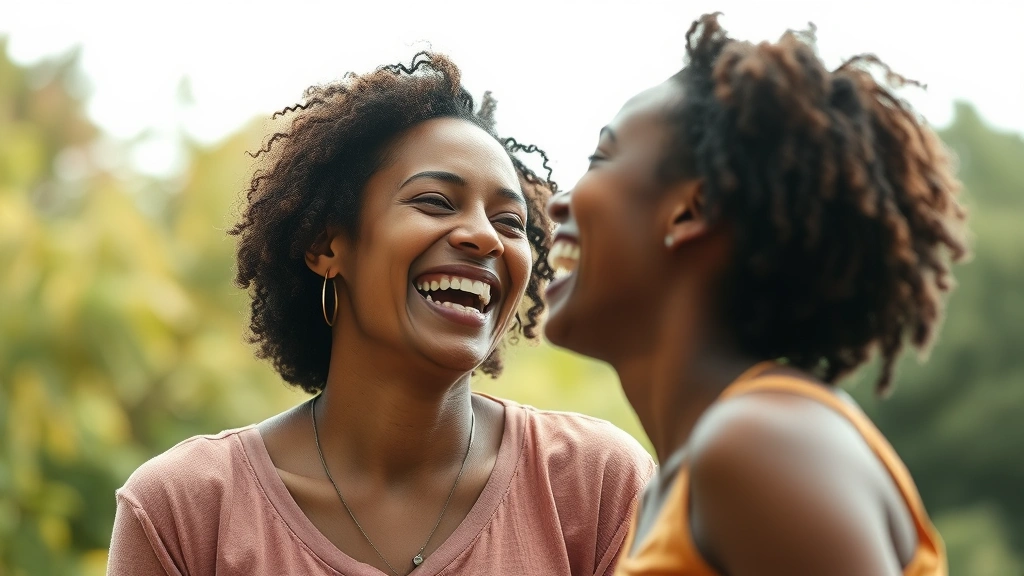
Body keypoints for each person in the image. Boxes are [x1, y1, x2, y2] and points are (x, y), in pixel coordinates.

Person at [107, 52, 655, 576]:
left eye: (510, 222)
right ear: (327, 245)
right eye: (435, 202)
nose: (486, 236)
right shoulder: (184, 511)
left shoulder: (597, 487)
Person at [544, 13, 966, 576]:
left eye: (601, 159)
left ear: (692, 210)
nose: (557, 202)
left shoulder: (757, 440)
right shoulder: (675, 490)